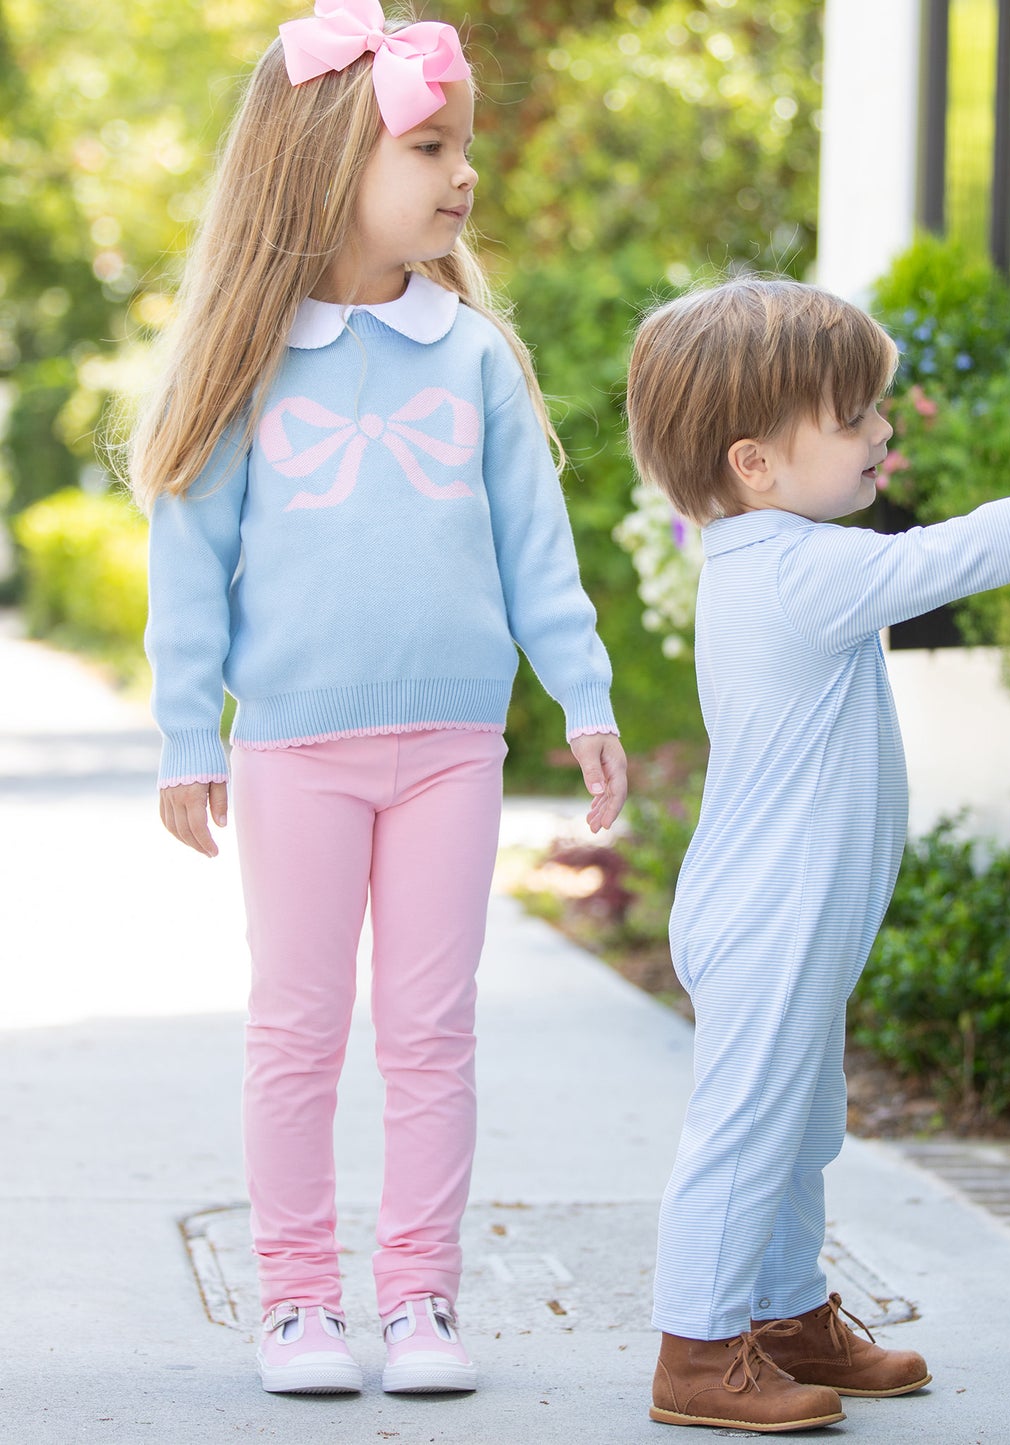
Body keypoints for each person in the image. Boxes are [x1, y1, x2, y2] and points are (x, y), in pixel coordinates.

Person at [624, 277, 1010, 1433]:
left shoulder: (778, 557)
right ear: (753, 462)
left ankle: (788, 1315)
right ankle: (696, 1353)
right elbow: (969, 548)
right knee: (749, 1124)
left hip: (790, 908)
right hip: (771, 909)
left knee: (798, 1124)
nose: (880, 432)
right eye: (850, 419)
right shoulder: (795, 570)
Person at [129, 0, 626, 1398]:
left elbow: (542, 552)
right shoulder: (246, 361)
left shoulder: (471, 356)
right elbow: (191, 558)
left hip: (454, 751)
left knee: (432, 1032)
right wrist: (186, 733)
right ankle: (296, 1303)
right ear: (331, 165)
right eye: (430, 146)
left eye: (461, 145)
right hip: (293, 748)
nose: (462, 175)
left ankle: (417, 1299)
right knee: (295, 1029)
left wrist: (582, 695)